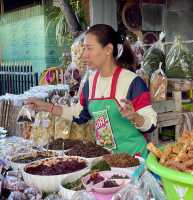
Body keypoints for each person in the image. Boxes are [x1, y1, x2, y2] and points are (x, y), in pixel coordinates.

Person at [27, 24, 157, 158]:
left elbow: (151, 124)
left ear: (108, 49)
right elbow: (78, 115)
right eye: (84, 49)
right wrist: (45, 106)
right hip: (107, 159)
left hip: (135, 159)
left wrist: (136, 117)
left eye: (89, 48)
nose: (84, 55)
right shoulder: (90, 83)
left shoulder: (133, 82)